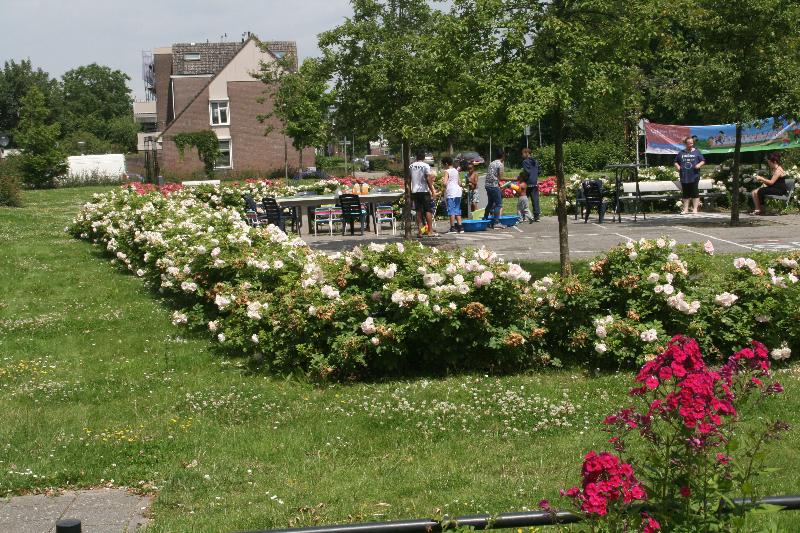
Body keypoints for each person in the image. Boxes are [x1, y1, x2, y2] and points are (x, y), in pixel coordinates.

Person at [674, 136, 705, 214]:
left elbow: (703, 161)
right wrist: (677, 166)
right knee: (686, 193)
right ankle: (685, 209)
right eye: (689, 143)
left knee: (695, 192)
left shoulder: (697, 151)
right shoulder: (681, 153)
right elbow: (675, 161)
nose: (691, 144)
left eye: (692, 143)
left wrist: (699, 165)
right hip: (684, 175)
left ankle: (695, 209)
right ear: (685, 144)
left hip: (694, 175)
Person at [410, 150, 438, 237]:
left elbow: (409, 179)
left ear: (416, 157)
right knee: (428, 210)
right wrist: (432, 191)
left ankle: (420, 231)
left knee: (418, 211)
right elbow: (428, 179)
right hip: (424, 191)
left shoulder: (411, 166)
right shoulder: (426, 166)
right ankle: (430, 231)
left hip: (415, 191)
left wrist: (409, 192)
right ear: (424, 157)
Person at [483, 150, 505, 228]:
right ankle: (496, 223)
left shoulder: (491, 163)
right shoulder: (500, 164)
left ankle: (485, 219)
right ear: (503, 156)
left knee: (490, 203)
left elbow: (492, 175)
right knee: (498, 204)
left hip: (487, 185)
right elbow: (501, 177)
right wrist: (514, 179)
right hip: (494, 186)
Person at [441, 157, 463, 232]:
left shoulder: (447, 171)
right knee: (457, 209)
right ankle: (460, 227)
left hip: (451, 192)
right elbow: (459, 183)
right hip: (458, 191)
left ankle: (452, 227)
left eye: (443, 164)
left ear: (446, 164)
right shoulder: (456, 171)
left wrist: (443, 182)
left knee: (451, 210)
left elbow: (444, 183)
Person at [521, 147, 541, 221]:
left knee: (523, 199)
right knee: (535, 200)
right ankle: (537, 216)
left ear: (527, 153)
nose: (522, 155)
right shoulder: (535, 161)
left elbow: (527, 172)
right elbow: (539, 171)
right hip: (534, 182)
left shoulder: (525, 162)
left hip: (527, 183)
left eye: (522, 153)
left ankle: (523, 216)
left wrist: (522, 176)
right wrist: (535, 176)